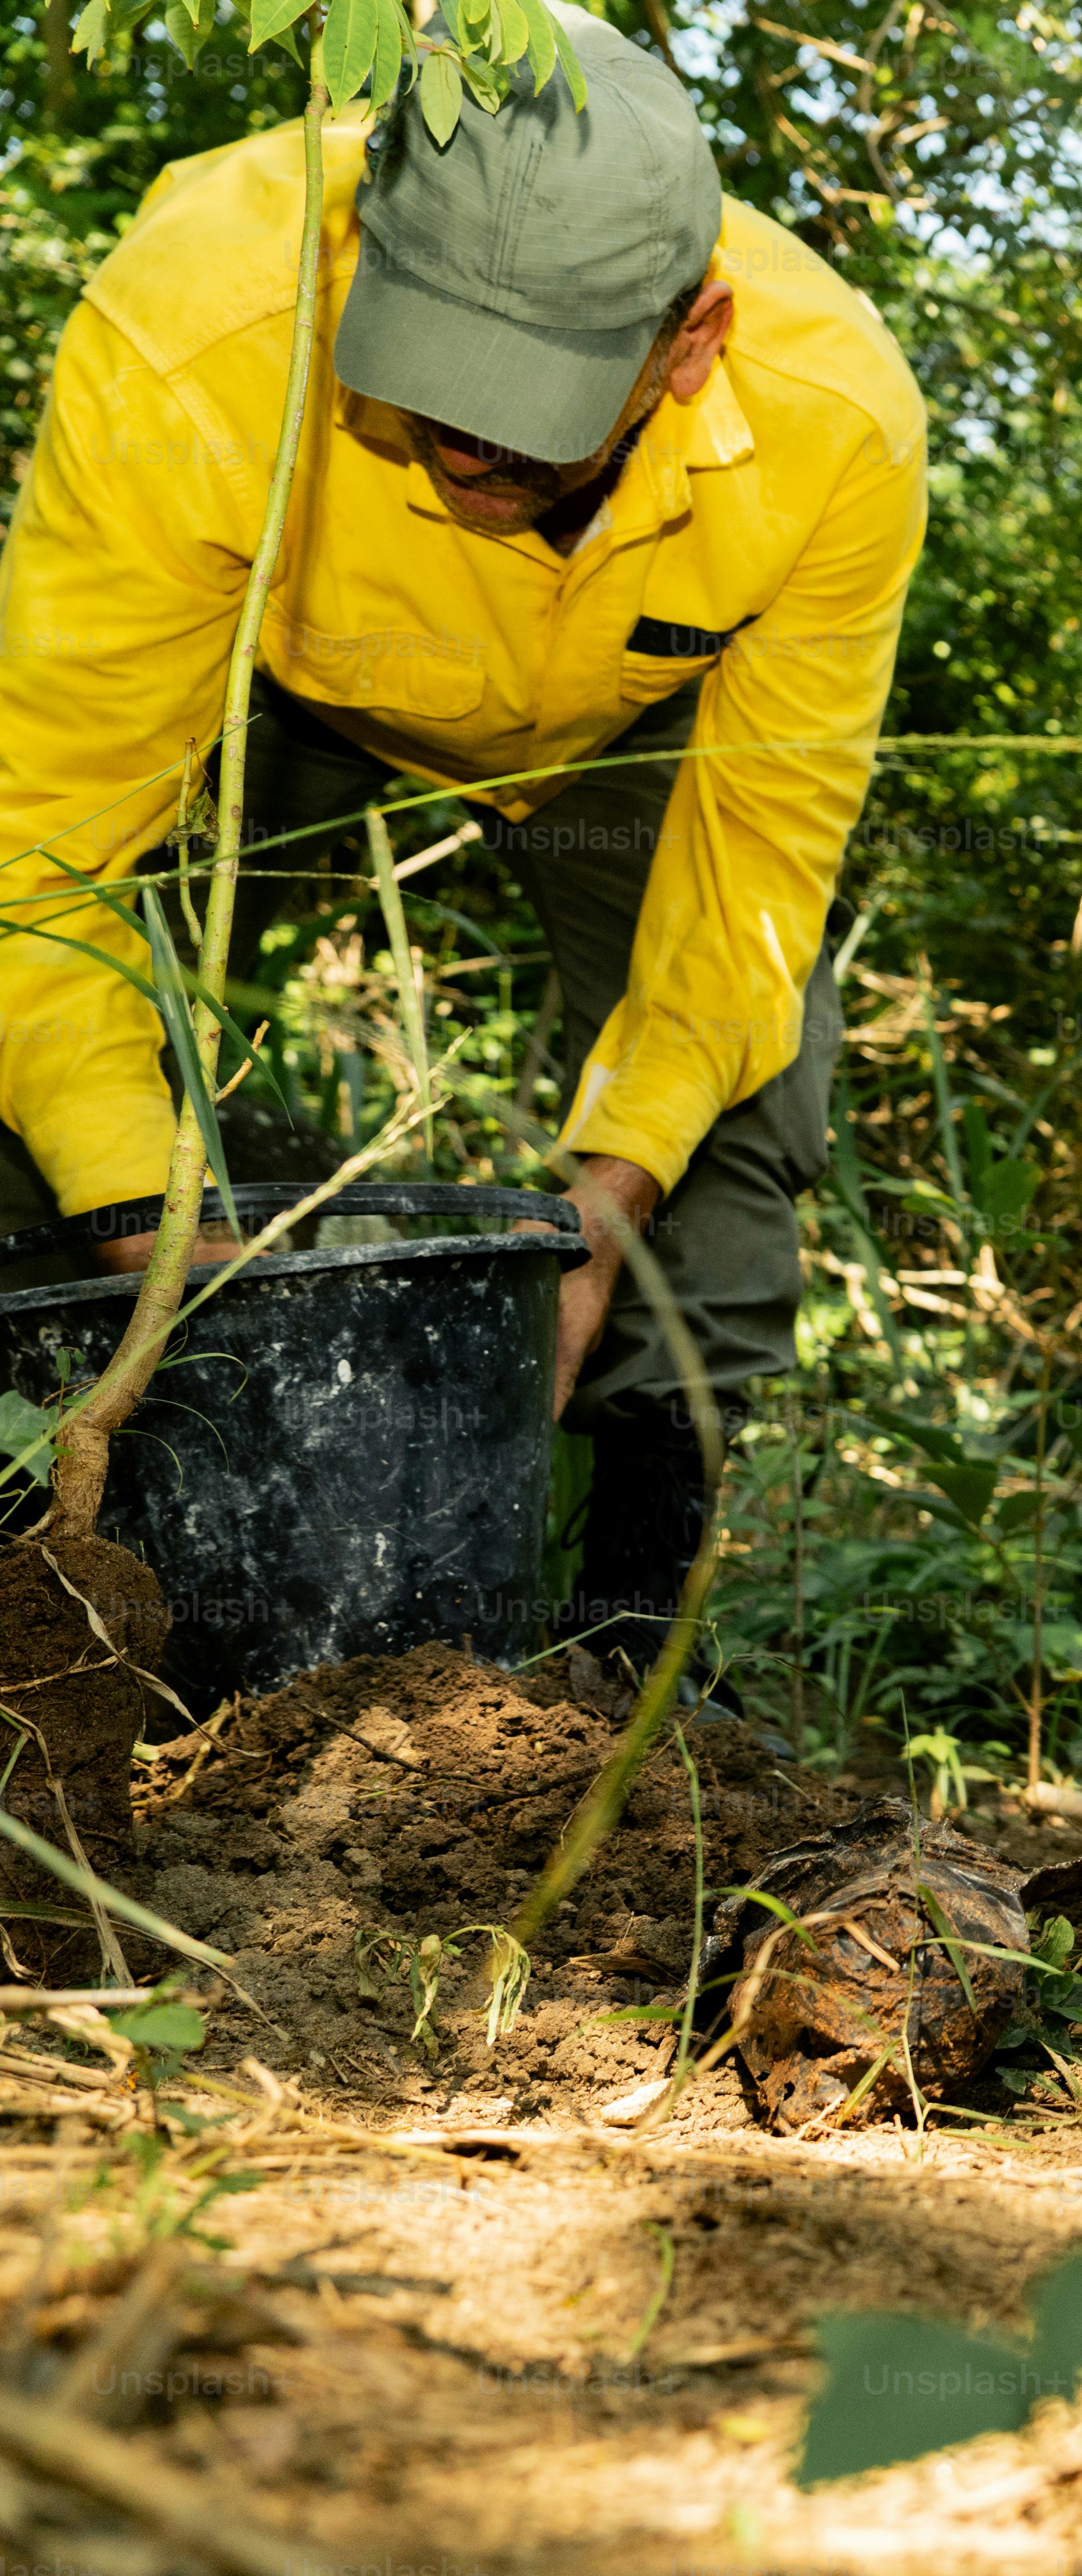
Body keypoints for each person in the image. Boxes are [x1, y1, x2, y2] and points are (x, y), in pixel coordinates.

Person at [0, 5, 926, 1636]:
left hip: (625, 726)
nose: (470, 437)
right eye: (429, 366)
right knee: (43, 1041)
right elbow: (41, 839)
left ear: (691, 339)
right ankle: (56, 1520)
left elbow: (755, 878)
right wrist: (142, 1210)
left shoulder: (834, 422)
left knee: (758, 1064)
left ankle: (640, 1629)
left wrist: (605, 1199)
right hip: (276, 680)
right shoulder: (198, 332)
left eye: (536, 393)